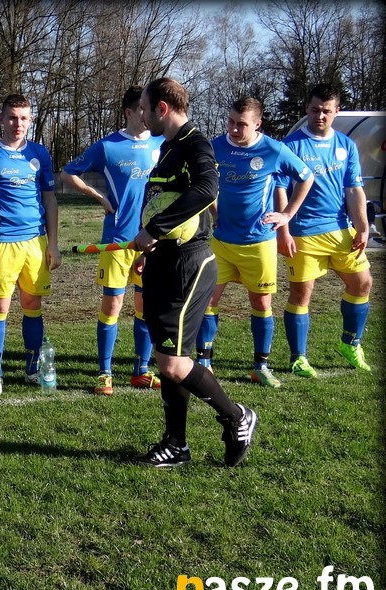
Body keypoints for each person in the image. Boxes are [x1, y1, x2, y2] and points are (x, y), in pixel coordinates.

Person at [131, 77, 257, 468]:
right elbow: (162, 200)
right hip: (162, 260)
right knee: (166, 356)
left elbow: (206, 189)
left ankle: (236, 416)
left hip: (189, 263)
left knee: (173, 362)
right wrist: (149, 247)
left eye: (144, 108)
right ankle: (176, 444)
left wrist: (155, 229)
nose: (141, 115)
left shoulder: (195, 143)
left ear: (162, 108)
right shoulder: (168, 148)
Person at [195, 96, 313, 388]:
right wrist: (214, 211)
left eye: (242, 124)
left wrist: (286, 215)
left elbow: (306, 177)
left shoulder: (274, 150)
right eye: (231, 122)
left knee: (261, 303)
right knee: (208, 300)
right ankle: (204, 362)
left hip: (259, 242)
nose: (234, 129)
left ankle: (261, 366)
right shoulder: (214, 147)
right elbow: (203, 182)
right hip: (221, 242)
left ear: (258, 124)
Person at [60, 86, 163, 396]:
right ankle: (104, 373)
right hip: (117, 240)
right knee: (113, 304)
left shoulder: (162, 143)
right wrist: (98, 196)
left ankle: (141, 370)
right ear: (129, 113)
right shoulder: (108, 146)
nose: (148, 114)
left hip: (152, 241)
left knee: (146, 306)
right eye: (142, 109)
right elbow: (68, 172)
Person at [0, 94, 60, 395]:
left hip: (35, 242)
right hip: (2, 242)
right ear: (1, 119)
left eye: (24, 118)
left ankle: (32, 369)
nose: (18, 123)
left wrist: (53, 243)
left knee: (33, 305)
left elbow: (50, 199)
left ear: (30, 120)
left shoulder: (40, 153)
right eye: (12, 117)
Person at [278, 83, 372, 377]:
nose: (320, 116)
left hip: (341, 229)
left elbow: (354, 189)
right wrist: (284, 229)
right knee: (302, 293)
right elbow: (280, 188)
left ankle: (350, 343)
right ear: (306, 109)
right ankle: (298, 357)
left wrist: (362, 227)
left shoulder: (346, 145)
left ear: (336, 111)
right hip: (304, 231)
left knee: (362, 283)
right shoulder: (290, 146)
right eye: (315, 109)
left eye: (326, 111)